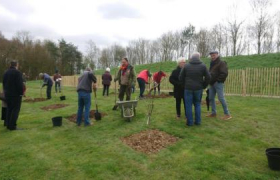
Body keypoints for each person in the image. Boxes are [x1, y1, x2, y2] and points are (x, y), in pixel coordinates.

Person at [179, 52, 210, 126]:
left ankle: (189, 122)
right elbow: (208, 77)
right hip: (198, 88)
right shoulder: (203, 66)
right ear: (199, 57)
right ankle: (198, 121)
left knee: (188, 105)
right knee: (197, 104)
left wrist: (184, 85)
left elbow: (181, 77)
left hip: (188, 88)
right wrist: (204, 86)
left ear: (191, 57)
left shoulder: (186, 66)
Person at [206, 51, 232, 120]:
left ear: (217, 55)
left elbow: (224, 73)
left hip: (218, 83)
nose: (212, 57)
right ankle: (213, 113)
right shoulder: (212, 63)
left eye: (214, 55)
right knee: (211, 98)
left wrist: (218, 81)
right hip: (211, 84)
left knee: (221, 98)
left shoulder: (221, 63)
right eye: (211, 56)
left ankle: (227, 114)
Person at [3, 60, 24, 130]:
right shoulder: (17, 73)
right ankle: (12, 126)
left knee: (9, 109)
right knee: (15, 110)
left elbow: (4, 83)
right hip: (16, 95)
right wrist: (21, 93)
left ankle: (8, 124)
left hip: (7, 94)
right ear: (16, 65)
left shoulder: (5, 72)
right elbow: (20, 84)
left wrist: (5, 92)